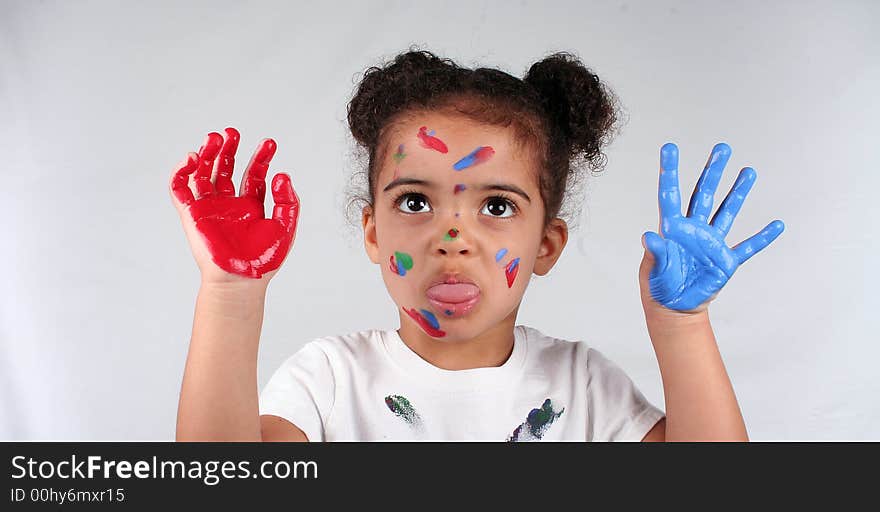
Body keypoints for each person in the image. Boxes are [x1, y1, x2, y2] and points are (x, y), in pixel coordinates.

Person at [171, 49, 784, 442]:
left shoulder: (582, 388)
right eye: (415, 201)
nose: (453, 238)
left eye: (497, 206)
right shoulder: (330, 381)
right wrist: (230, 294)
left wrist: (682, 326)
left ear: (546, 244)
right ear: (374, 233)